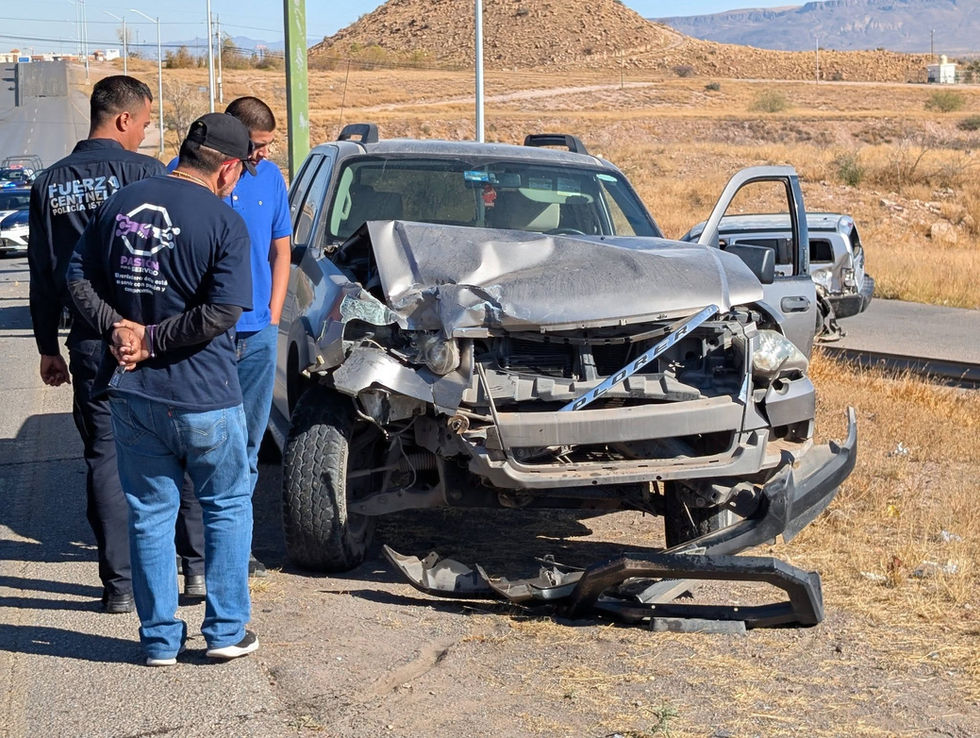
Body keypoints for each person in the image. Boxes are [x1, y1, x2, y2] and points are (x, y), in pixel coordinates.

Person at [67, 112, 259, 666]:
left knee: (149, 512)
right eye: (240, 170)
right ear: (226, 168)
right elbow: (223, 311)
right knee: (225, 506)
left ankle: (157, 640)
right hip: (205, 396)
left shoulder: (122, 202)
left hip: (133, 395)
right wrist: (149, 339)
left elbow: (76, 278)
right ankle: (224, 633)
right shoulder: (225, 222)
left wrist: (118, 328)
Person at [28, 75, 168, 614]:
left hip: (88, 339)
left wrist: (47, 346)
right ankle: (184, 573)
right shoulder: (150, 175)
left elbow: (44, 275)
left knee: (103, 458)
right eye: (146, 123)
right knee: (164, 456)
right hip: (153, 339)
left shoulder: (49, 183)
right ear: (124, 119)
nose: (146, 133)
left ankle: (119, 588)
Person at [168, 96, 291, 577]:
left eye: (267, 146)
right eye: (256, 146)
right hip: (202, 335)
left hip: (257, 335)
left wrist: (273, 315)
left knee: (247, 444)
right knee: (196, 444)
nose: (262, 155)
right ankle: (195, 554)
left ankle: (236, 551)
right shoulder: (186, 176)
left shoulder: (272, 179)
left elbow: (281, 252)